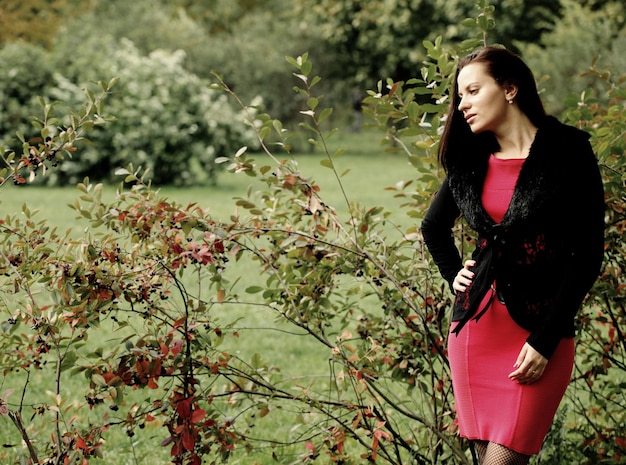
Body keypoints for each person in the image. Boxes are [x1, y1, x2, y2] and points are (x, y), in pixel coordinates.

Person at [420, 46, 605, 465]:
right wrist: (453, 273)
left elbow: (588, 253)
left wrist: (544, 340)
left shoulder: (568, 152)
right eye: (459, 96)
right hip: (475, 333)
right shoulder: (470, 161)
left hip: (539, 335)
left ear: (509, 88)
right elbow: (433, 228)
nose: (462, 104)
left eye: (471, 90)